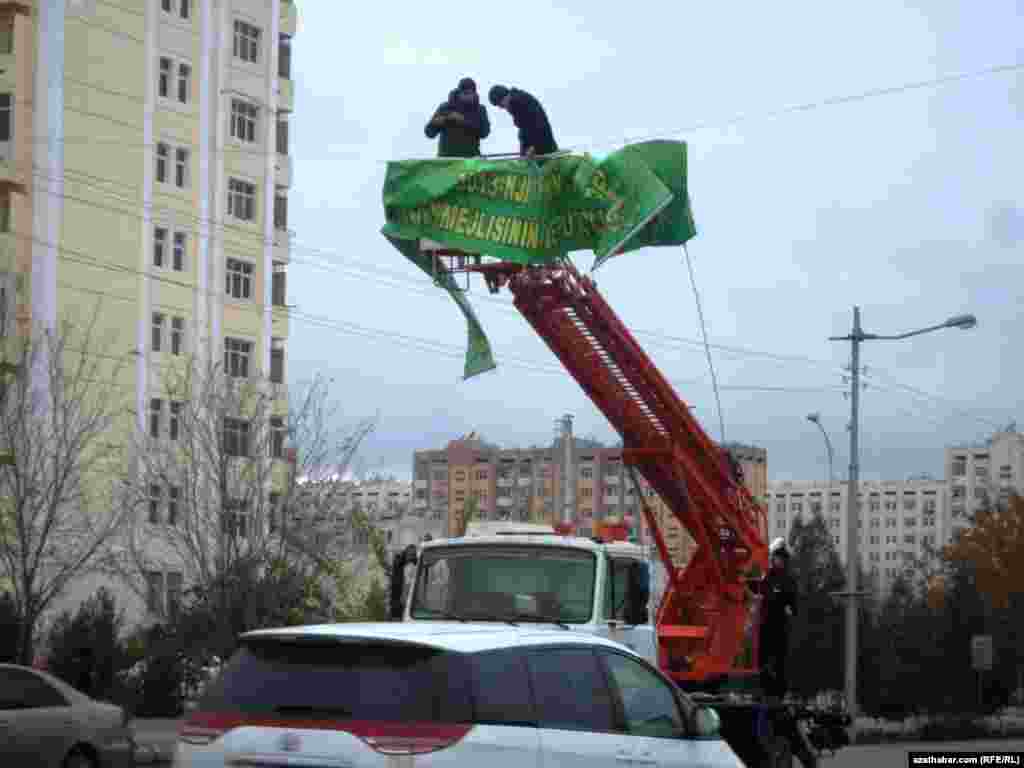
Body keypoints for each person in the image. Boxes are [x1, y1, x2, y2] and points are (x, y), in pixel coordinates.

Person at [757, 537, 798, 701]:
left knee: (779, 660)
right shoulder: (767, 577)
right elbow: (762, 594)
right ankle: (766, 690)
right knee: (763, 659)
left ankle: (779, 692)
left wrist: (789, 609)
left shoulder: (788, 579)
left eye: (781, 558)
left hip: (780, 625)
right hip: (766, 624)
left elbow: (793, 603)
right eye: (776, 558)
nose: (778, 561)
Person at [424, 77, 491, 158]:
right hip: (446, 160)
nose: (469, 96)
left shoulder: (480, 109)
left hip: (470, 159)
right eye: (465, 93)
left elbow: (484, 132)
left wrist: (463, 121)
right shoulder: (445, 107)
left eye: (471, 93)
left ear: (475, 93)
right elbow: (429, 133)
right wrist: (435, 123)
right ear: (459, 93)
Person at [488, 85, 558, 159]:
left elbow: (538, 125)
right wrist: (523, 150)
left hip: (543, 147)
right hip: (537, 145)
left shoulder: (519, 102)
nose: (501, 107)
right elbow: (524, 129)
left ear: (505, 97)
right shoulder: (516, 101)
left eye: (500, 104)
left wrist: (533, 147)